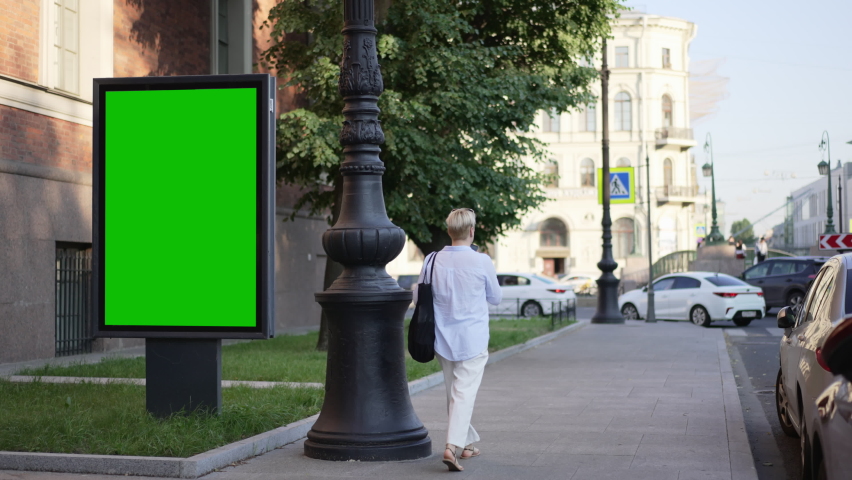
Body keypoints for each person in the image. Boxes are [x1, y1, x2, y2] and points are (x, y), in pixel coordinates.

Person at [412, 208, 501, 472]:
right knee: (461, 395)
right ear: (471, 231)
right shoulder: (482, 261)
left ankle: (467, 444)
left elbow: (418, 299)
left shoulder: (431, 259)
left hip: (442, 338)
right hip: (472, 339)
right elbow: (495, 298)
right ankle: (452, 447)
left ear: (449, 231)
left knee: (455, 394)